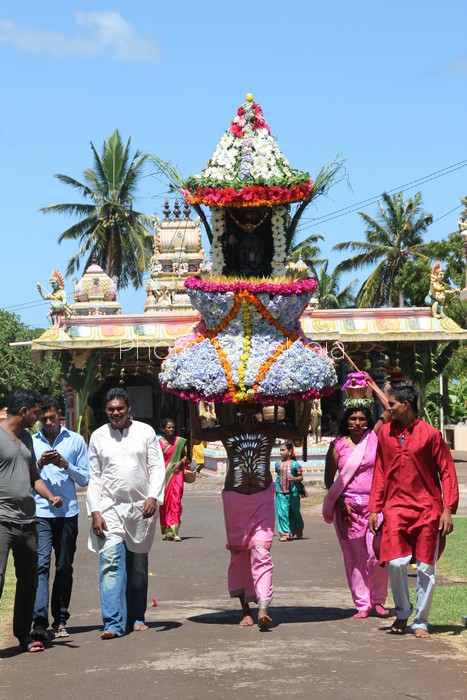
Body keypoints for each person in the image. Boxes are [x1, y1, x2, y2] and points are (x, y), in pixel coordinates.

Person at [189, 400, 312, 630]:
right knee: (240, 555)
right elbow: (198, 433)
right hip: (235, 501)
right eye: (242, 413)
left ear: (259, 413)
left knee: (260, 551)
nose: (247, 419)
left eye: (251, 413)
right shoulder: (227, 431)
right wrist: (190, 403)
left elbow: (299, 432)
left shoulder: (270, 430)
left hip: (262, 499)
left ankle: (263, 608)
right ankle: (246, 609)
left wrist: (306, 402)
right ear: (236, 413)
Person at [369, 383, 459, 638]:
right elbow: (380, 471)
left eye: (392, 404)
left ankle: (420, 621)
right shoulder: (385, 434)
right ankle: (402, 611)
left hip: (427, 510)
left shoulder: (431, 434)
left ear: (405, 405)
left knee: (425, 568)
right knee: (396, 563)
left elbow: (447, 472)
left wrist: (448, 509)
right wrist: (375, 508)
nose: (388, 407)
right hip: (395, 509)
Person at [87, 387, 165, 639]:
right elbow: (95, 476)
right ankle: (112, 623)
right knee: (110, 563)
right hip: (109, 508)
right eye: (110, 409)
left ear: (129, 408)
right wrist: (95, 511)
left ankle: (136, 617)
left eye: (119, 408)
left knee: (138, 567)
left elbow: (156, 467)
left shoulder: (145, 432)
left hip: (141, 509)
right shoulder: (98, 436)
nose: (115, 413)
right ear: (105, 411)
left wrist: (154, 496)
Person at [0, 390, 62, 653]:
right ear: (23, 411)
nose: (38, 418)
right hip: (2, 521)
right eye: (36, 412)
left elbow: (33, 476)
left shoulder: (25, 438)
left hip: (27, 521)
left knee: (29, 580)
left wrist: (50, 496)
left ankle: (23, 635)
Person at [323, 379, 391, 619]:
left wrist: (371, 385)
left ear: (368, 421)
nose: (358, 423)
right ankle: (363, 604)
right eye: (353, 419)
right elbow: (329, 481)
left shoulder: (374, 437)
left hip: (375, 506)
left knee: (377, 555)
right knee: (355, 558)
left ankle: (379, 601)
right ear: (346, 421)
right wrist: (341, 502)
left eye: (362, 419)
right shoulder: (337, 446)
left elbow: (390, 409)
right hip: (348, 508)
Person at [31, 396, 89, 641]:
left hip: (67, 513)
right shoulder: (31, 441)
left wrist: (65, 464)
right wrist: (40, 463)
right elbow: (27, 475)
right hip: (40, 512)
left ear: (59, 415)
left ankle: (61, 618)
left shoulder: (75, 440)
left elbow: (85, 479)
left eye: (52, 417)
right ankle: (40, 622)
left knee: (64, 566)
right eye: (43, 419)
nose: (48, 422)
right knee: (41, 566)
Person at [158, 418, 189, 542]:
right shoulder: (158, 444)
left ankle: (175, 531)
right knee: (164, 503)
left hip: (177, 474)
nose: (171, 429)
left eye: (172, 427)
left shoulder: (180, 441)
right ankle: (168, 531)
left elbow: (185, 456)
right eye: (168, 427)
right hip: (163, 476)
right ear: (163, 429)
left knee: (175, 501)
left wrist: (180, 462)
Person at [275, 441, 304, 541]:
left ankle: (298, 530)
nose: (281, 452)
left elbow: (301, 477)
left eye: (283, 450)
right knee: (282, 513)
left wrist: (294, 479)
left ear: (290, 451)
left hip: (293, 493)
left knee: (294, 512)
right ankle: (285, 533)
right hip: (280, 492)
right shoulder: (277, 464)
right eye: (280, 450)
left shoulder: (296, 465)